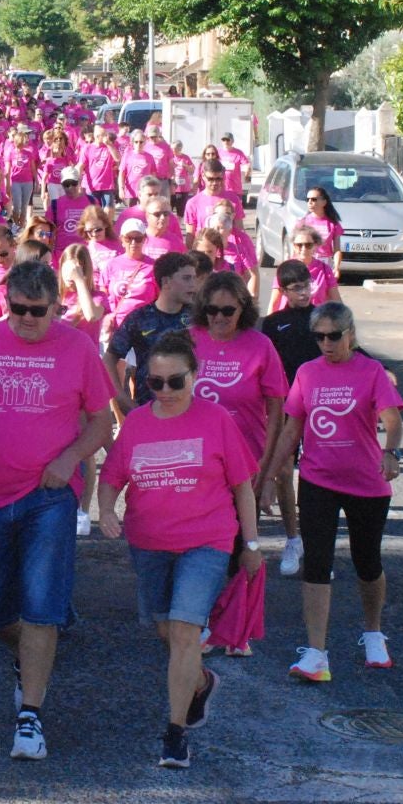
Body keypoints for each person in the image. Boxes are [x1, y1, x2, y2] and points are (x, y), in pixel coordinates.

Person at [0, 261, 116, 762]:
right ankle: (29, 655)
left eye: (38, 310)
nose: (28, 318)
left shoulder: (78, 348)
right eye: (18, 308)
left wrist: (68, 459)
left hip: (49, 498)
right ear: (6, 300)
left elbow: (103, 424)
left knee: (40, 606)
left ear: (57, 306)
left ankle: (30, 716)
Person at [97, 332, 264, 769]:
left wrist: (250, 544)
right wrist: (106, 509)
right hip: (149, 544)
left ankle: (174, 735)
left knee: (187, 631)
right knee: (167, 634)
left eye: (177, 381)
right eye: (156, 383)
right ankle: (200, 682)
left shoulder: (217, 420)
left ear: (196, 375)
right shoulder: (135, 423)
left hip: (206, 543)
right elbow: (112, 475)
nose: (167, 391)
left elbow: (242, 486)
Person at [266, 302, 403, 682]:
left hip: (366, 482)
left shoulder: (371, 372)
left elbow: (392, 420)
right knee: (316, 562)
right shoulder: (308, 374)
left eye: (333, 336)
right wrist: (270, 476)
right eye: (319, 337)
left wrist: (391, 452)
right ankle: (316, 653)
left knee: (367, 562)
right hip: (318, 480)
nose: (326, 344)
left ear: (351, 334)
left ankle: (374, 634)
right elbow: (291, 430)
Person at [187, 272, 290, 636]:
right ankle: (204, 619)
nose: (218, 317)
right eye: (211, 309)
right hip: (197, 461)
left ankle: (234, 628)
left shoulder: (260, 346)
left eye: (227, 310)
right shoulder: (190, 341)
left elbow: (277, 409)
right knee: (202, 542)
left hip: (247, 461)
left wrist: (269, 468)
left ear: (242, 309)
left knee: (240, 543)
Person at [258, 261, 320, 577]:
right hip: (286, 406)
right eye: (296, 288)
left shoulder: (323, 317)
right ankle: (292, 539)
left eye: (307, 285)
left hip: (322, 405)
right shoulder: (272, 324)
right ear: (283, 291)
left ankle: (314, 543)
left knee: (317, 475)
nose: (304, 292)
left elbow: (353, 350)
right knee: (283, 471)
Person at [108, 251, 199, 412]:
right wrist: (121, 397)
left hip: (191, 407)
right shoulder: (139, 318)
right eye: (186, 278)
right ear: (166, 281)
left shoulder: (199, 317)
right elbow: (109, 358)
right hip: (149, 408)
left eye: (194, 277)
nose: (193, 284)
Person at [269, 228, 342, 312]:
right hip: (288, 320)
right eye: (299, 245)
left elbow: (337, 301)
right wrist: (267, 323)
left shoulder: (324, 269)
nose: (303, 249)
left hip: (314, 321)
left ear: (315, 246)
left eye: (308, 245)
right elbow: (274, 303)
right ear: (294, 246)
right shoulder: (285, 268)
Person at [299, 185, 347, 274]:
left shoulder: (333, 224)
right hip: (307, 263)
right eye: (307, 199)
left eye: (314, 199)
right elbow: (296, 248)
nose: (310, 202)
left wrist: (336, 267)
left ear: (324, 202)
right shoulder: (303, 222)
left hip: (325, 264)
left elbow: (337, 250)